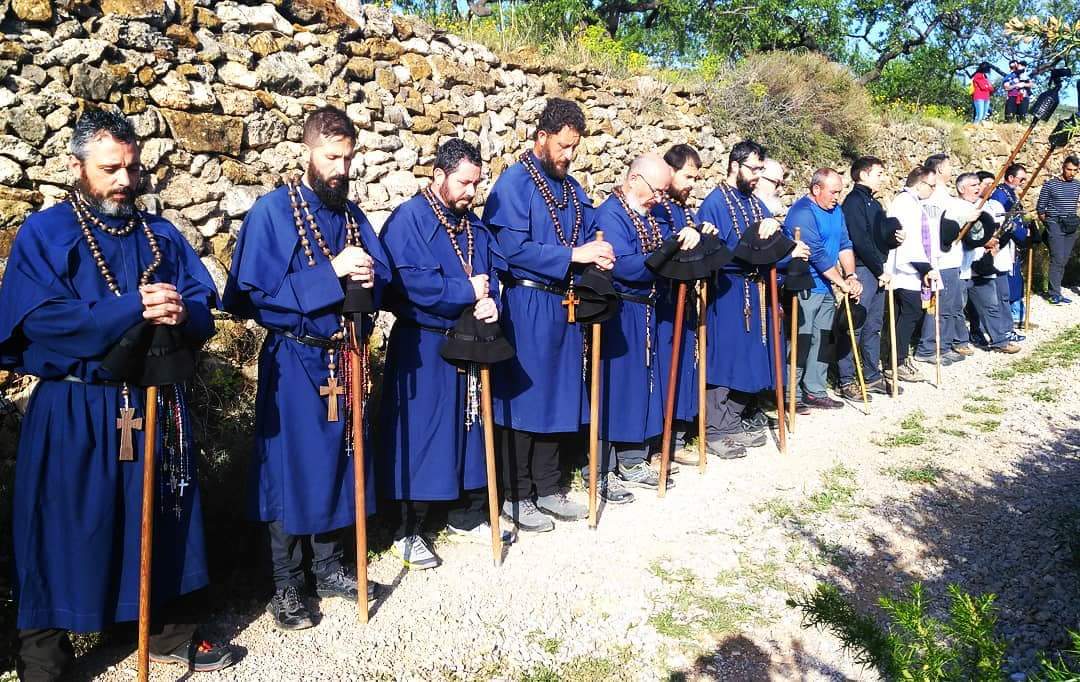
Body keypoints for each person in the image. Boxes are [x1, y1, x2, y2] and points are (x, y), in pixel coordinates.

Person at [0, 110, 233, 680]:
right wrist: (132, 307)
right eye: (110, 169)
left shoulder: (161, 235)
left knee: (159, 516)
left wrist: (184, 312)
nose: (125, 181)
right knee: (61, 526)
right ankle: (45, 658)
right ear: (77, 167)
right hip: (77, 406)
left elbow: (204, 304)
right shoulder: (46, 234)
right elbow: (41, 321)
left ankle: (166, 630)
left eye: (132, 167)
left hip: (154, 400)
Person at [223, 106, 390, 630]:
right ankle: (287, 584)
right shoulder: (274, 212)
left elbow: (386, 278)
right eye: (331, 157)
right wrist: (331, 272)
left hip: (345, 359)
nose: (341, 169)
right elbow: (255, 296)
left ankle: (329, 566)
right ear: (307, 152)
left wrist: (371, 276)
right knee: (289, 469)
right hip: (296, 360)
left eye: (348, 158)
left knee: (339, 462)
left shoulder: (352, 216)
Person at [376, 139, 511, 569]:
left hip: (471, 344)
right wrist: (465, 291)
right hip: (423, 346)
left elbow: (493, 277)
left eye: (476, 184)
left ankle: (466, 517)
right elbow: (409, 284)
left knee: (470, 431)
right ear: (439, 175)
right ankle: (407, 530)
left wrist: (493, 304)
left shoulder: (471, 226)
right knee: (421, 435)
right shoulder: (409, 220)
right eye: (464, 183)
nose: (472, 192)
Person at [482, 98, 612, 532]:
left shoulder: (572, 187)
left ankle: (549, 485)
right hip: (528, 304)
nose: (569, 155)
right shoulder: (514, 184)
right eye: (563, 146)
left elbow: (590, 231)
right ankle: (517, 495)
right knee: (525, 399)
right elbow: (512, 250)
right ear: (542, 137)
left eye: (574, 147)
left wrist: (601, 251)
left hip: (565, 304)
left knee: (559, 396)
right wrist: (574, 255)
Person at [697, 141, 809, 455]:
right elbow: (716, 253)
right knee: (727, 358)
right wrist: (773, 248)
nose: (758, 175)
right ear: (735, 165)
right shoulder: (715, 203)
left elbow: (774, 244)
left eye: (761, 169)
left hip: (757, 290)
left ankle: (734, 420)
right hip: (728, 291)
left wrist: (787, 249)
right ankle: (716, 429)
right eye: (754, 168)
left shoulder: (755, 203)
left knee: (753, 357)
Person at [651, 144, 713, 465]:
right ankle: (656, 445)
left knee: (683, 368)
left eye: (696, 178)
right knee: (663, 371)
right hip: (662, 303)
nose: (692, 184)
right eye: (688, 177)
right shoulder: (658, 208)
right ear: (670, 172)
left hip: (684, 301)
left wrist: (704, 233)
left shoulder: (686, 209)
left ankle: (674, 438)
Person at [783, 168, 860, 408]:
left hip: (827, 286)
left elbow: (844, 244)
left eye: (839, 192)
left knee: (823, 339)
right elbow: (816, 254)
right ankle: (790, 393)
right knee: (801, 340)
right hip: (805, 286)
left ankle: (815, 389)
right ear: (816, 189)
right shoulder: (802, 213)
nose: (837, 197)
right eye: (833, 192)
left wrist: (851, 275)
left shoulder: (836, 210)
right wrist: (842, 283)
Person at [838, 155, 905, 397]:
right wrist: (879, 270)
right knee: (854, 325)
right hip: (863, 269)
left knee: (873, 325)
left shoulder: (873, 204)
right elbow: (859, 240)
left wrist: (894, 239)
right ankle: (846, 379)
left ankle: (871, 375)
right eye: (879, 174)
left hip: (877, 269)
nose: (883, 178)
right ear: (863, 174)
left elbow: (878, 238)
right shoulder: (853, 203)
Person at [884, 166, 940, 383]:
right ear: (920, 183)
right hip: (905, 270)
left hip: (913, 269)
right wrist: (924, 267)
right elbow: (907, 241)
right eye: (931, 186)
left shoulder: (913, 202)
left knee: (906, 314)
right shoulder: (905, 203)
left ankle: (898, 358)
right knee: (909, 314)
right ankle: (896, 362)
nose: (933, 190)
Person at [956, 172, 1021, 354]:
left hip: (982, 263)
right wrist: (984, 240)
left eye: (978, 185)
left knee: (991, 304)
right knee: (958, 307)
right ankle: (960, 341)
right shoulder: (956, 207)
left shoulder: (985, 206)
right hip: (962, 265)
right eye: (973, 185)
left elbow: (991, 230)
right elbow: (963, 234)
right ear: (961, 189)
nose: (978, 188)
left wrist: (994, 243)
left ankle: (1000, 340)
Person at [913, 153, 967, 367]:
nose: (951, 169)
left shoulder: (943, 196)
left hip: (950, 259)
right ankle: (928, 348)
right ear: (940, 169)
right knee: (939, 307)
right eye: (948, 166)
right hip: (941, 259)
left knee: (949, 307)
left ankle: (943, 345)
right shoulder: (935, 197)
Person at [989, 163, 1030, 338]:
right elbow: (1003, 223)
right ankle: (1007, 322)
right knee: (1006, 284)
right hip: (1005, 246)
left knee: (1015, 280)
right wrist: (1019, 232)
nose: (1023, 182)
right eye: (1021, 179)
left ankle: (1016, 316)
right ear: (1011, 178)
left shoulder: (1011, 194)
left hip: (1014, 247)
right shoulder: (1000, 195)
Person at [1036, 155, 1080, 304]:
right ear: (1063, 168)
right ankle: (1054, 293)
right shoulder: (1050, 185)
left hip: (1071, 225)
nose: (1071, 173)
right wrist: (1050, 224)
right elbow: (1040, 208)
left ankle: (1057, 291)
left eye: (1075, 170)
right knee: (1057, 258)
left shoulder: (1077, 185)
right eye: (1069, 169)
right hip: (1055, 224)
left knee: (1063, 260)